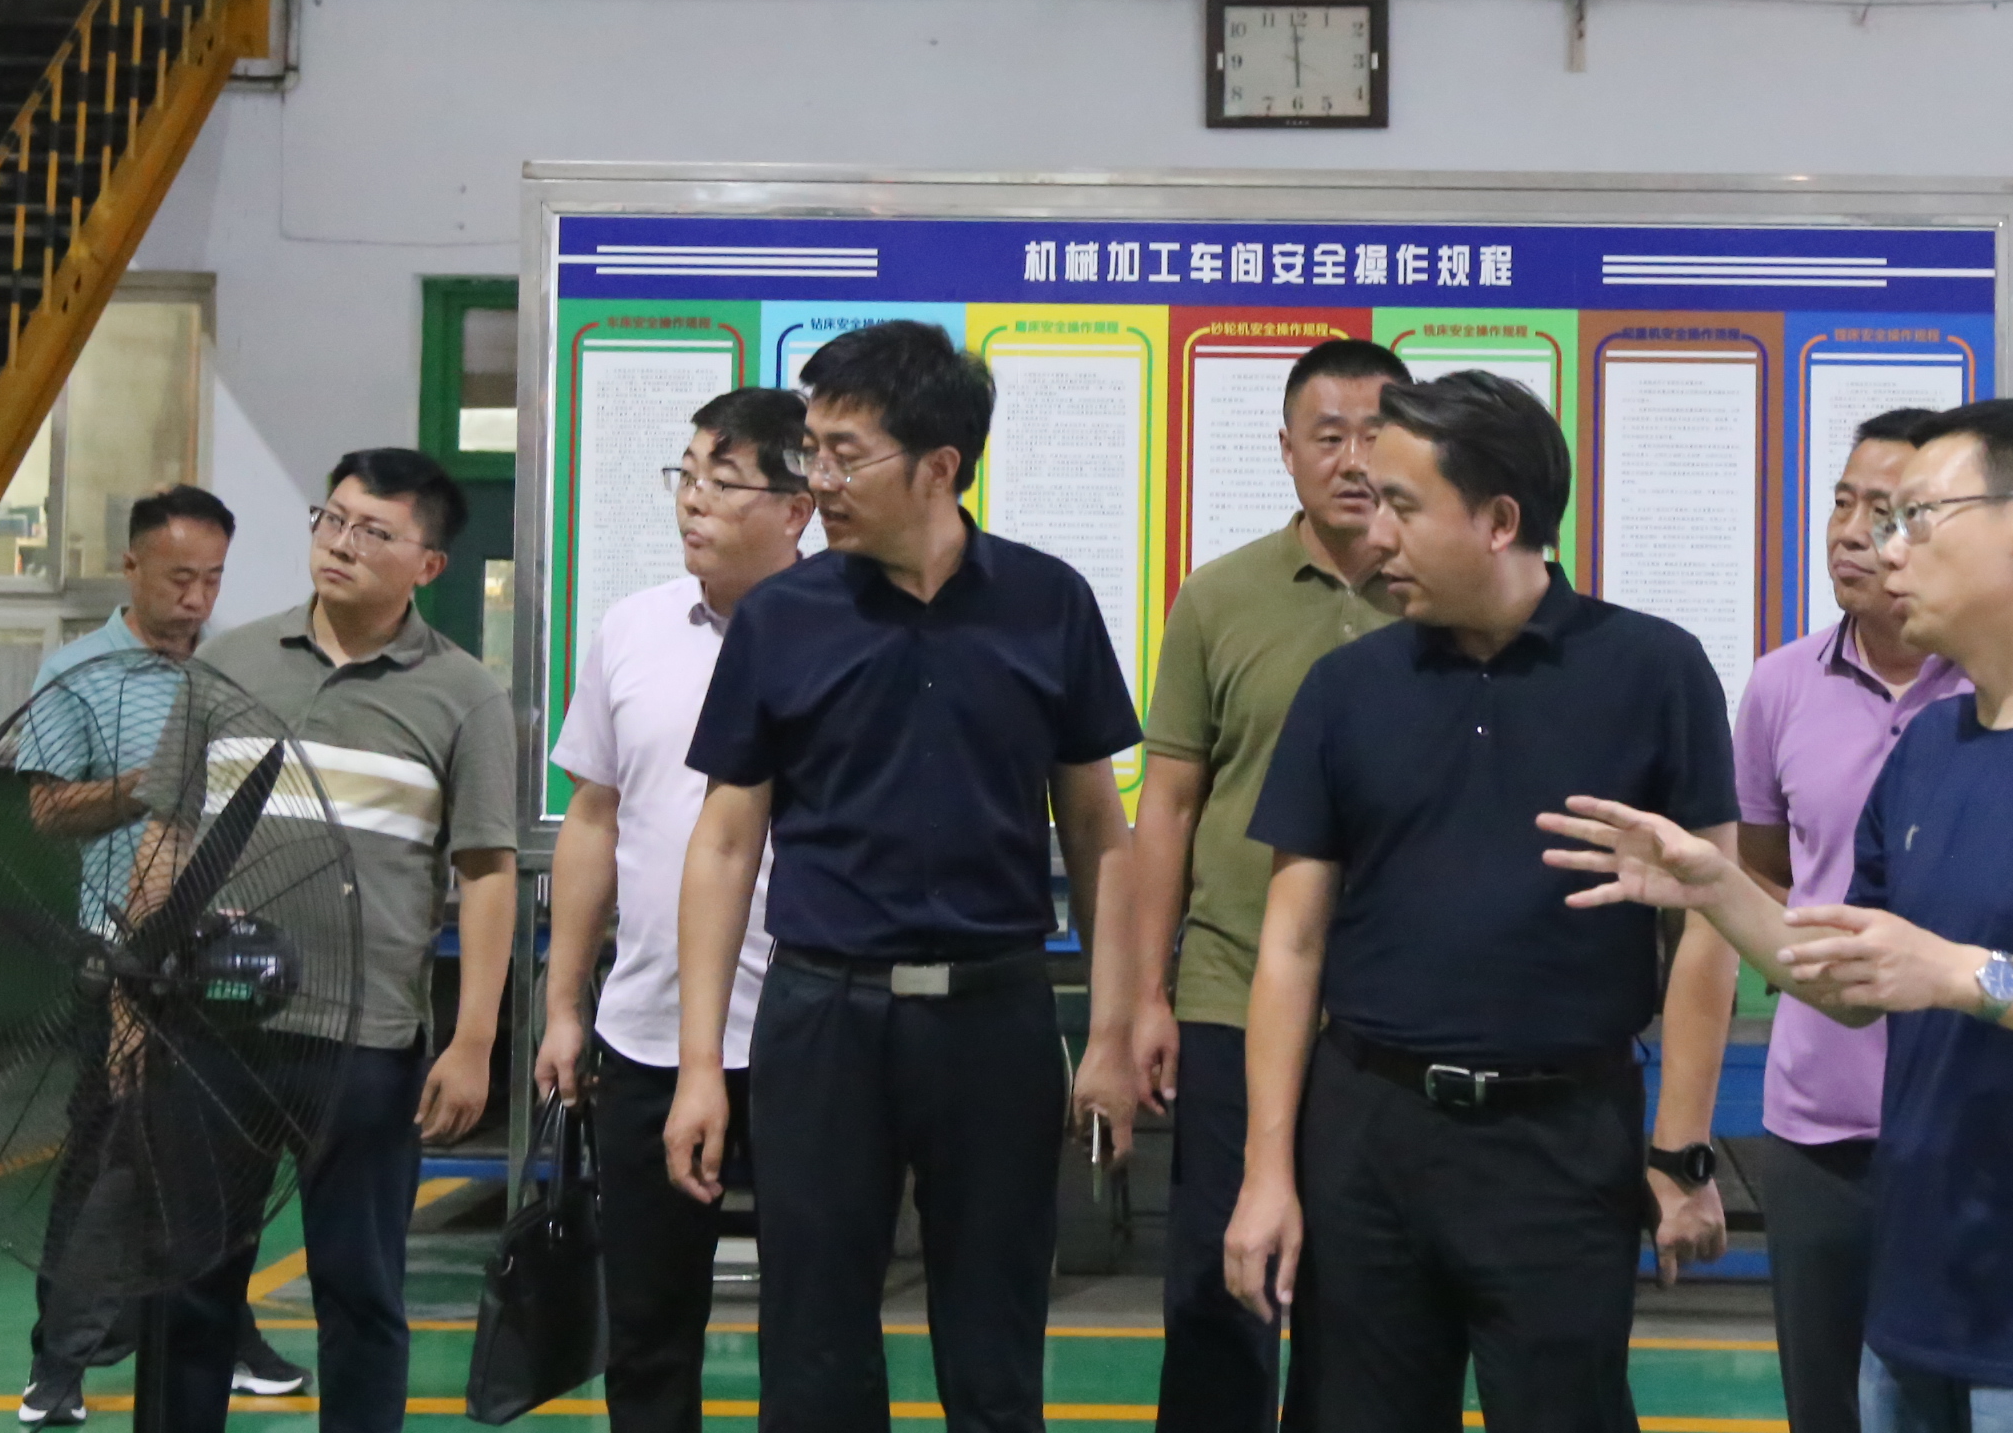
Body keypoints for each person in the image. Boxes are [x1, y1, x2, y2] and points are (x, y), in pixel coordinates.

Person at [1543, 400, 2013, 1433]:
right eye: (1874, 516)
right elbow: (1847, 982)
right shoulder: (1931, 751)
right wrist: (1715, 885)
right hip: (1916, 1296)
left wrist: (1962, 973)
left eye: (1918, 516)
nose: (1884, 545)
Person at [1225, 370, 1738, 1433]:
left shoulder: (1656, 671)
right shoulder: (1346, 689)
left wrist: (1680, 1152)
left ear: (1500, 520)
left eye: (1403, 507)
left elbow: (1710, 925)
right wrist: (1266, 1173)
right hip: (1368, 1139)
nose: (1375, 536)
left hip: (1563, 1145)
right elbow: (1292, 943)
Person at [663, 320, 1145, 1433]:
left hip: (996, 1014)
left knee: (996, 1339)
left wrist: (1113, 1034)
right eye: (812, 451)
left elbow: (1098, 831)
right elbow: (725, 843)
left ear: (940, 464)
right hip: (824, 1016)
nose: (818, 481)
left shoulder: (1049, 602)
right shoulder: (783, 616)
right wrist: (699, 1065)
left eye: (845, 454)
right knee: (814, 1345)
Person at [159, 447, 521, 1433]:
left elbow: (487, 872)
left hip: (365, 1041)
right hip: (212, 1026)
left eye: (374, 531)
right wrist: (145, 980)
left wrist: (474, 1040)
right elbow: (169, 832)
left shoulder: (464, 697)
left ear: (428, 565)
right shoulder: (227, 664)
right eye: (333, 519)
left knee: (359, 1292)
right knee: (190, 1286)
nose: (341, 544)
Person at [1645, 407, 1966, 1433]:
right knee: (1827, 1407)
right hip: (1822, 1129)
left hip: (1972, 1124)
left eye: (1886, 511)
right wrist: (1683, 1147)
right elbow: (1750, 891)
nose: (1851, 532)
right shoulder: (1781, 686)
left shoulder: (2003, 691)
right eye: (1842, 502)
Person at [1126, 337, 1409, 1433]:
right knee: (1219, 1288)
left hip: (1386, 1014)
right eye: (1327, 436)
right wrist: (1149, 994)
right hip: (1231, 993)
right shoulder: (1219, 597)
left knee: (1364, 1300)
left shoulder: (1441, 594)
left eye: (1376, 434)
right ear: (1285, 450)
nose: (1353, 459)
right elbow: (1169, 806)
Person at [536, 389, 814, 1433]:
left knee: (812, 1321)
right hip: (649, 1033)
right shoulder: (632, 628)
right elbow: (592, 819)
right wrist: (564, 1005)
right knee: (649, 1326)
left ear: (796, 508)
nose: (692, 500)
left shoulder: (841, 631)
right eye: (686, 475)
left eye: (721, 481)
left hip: (804, 1031)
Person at [14, 486, 309, 1425]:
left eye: (213, 579)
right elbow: (47, 812)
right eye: (180, 578)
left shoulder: (234, 670)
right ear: (132, 566)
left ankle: (224, 1334)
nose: (197, 597)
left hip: (219, 965)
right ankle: (59, 1360)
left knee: (223, 1167)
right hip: (120, 960)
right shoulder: (77, 674)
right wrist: (154, 784)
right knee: (106, 1167)